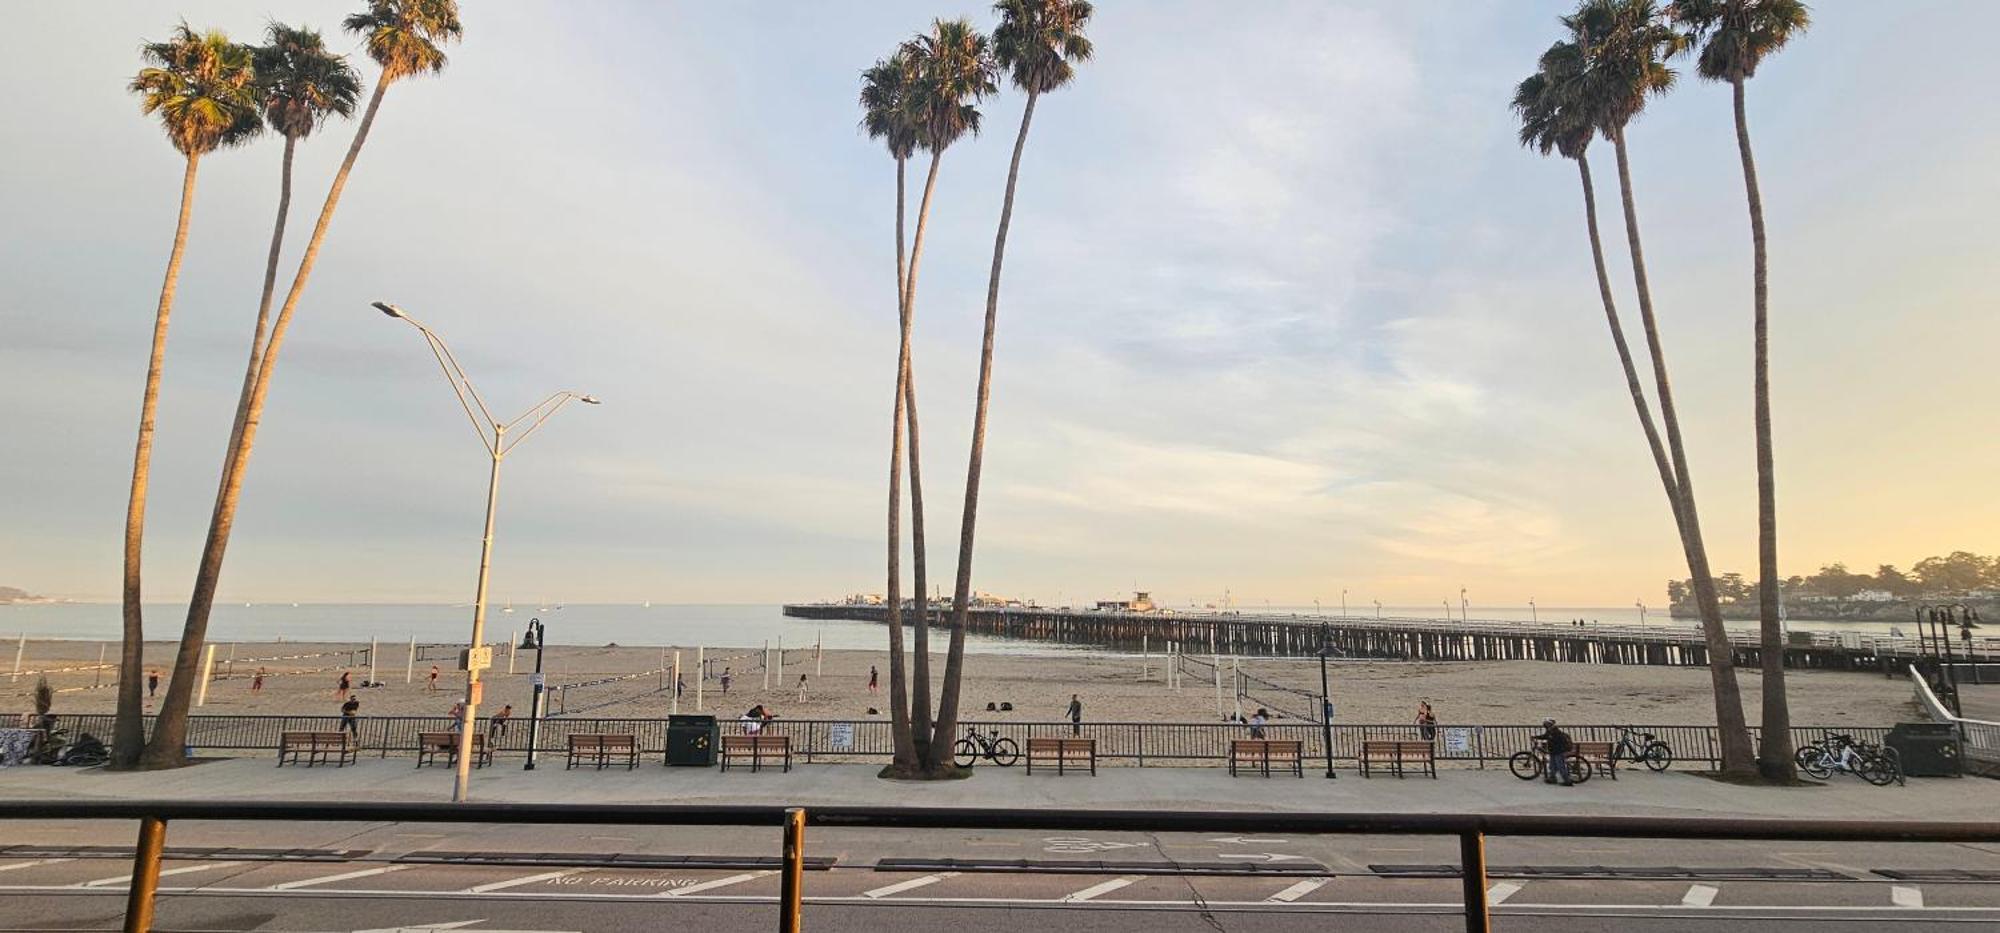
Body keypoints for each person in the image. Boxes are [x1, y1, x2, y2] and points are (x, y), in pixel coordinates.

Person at [1538, 717, 1574, 786]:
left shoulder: (1556, 732)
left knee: (1560, 766)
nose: (1545, 725)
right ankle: (1552, 778)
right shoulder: (1550, 731)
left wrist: (1550, 739)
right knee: (1552, 766)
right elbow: (1545, 736)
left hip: (1558, 752)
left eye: (1546, 724)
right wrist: (1535, 737)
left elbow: (1556, 741)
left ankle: (1567, 781)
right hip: (1553, 751)